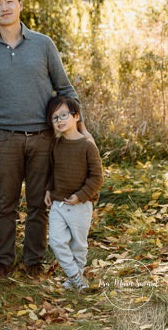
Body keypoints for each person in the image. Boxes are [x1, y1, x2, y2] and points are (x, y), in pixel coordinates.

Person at [0, 0, 91, 278]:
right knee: (5, 204)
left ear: (20, 5)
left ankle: (33, 263)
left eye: (9, 1)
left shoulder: (43, 43)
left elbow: (65, 89)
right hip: (6, 140)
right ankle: (3, 262)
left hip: (43, 138)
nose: (4, 7)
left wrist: (78, 130)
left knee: (39, 203)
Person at [44, 95, 103, 291]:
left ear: (76, 116)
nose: (59, 120)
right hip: (59, 204)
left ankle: (74, 278)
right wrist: (48, 190)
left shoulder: (87, 145)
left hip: (80, 205)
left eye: (63, 115)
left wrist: (81, 195)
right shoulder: (56, 145)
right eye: (54, 118)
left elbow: (97, 177)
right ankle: (76, 277)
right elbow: (53, 171)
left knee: (78, 245)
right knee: (56, 240)